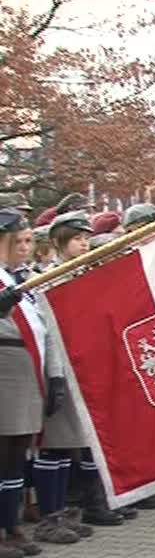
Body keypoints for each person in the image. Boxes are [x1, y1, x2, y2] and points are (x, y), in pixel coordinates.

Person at [35, 212, 127, 549]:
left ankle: (89, 501)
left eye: (86, 238)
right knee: (58, 443)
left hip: (88, 365)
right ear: (58, 243)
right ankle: (54, 513)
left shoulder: (83, 277)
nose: (84, 244)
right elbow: (48, 329)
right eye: (77, 239)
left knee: (88, 439)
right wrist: (56, 374)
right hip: (61, 366)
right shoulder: (46, 279)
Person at [0, 210, 47, 557]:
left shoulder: (18, 279)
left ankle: (11, 523)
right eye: (17, 240)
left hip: (25, 363)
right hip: (4, 362)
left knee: (17, 450)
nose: (24, 246)